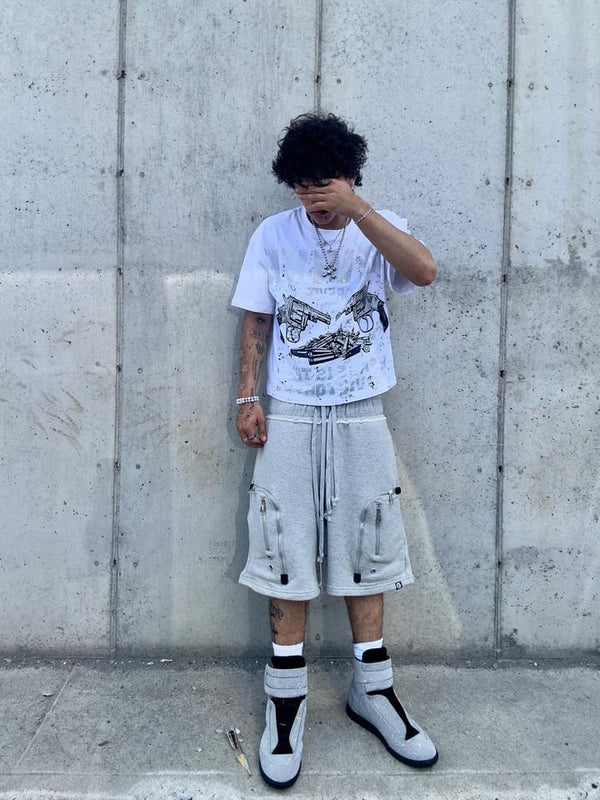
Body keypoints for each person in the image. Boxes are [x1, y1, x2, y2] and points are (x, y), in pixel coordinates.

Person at [231, 112, 438, 789]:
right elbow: (258, 315)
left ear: (350, 176)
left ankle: (372, 688)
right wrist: (247, 395)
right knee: (281, 539)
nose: (314, 197)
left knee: (369, 538)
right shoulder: (273, 234)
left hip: (362, 405)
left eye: (326, 183)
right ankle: (285, 696)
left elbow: (424, 271)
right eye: (303, 185)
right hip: (291, 407)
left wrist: (358, 210)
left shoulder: (381, 225)